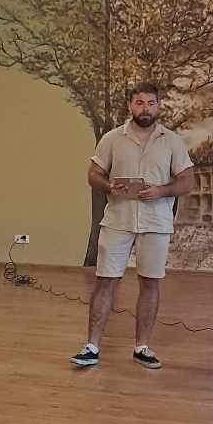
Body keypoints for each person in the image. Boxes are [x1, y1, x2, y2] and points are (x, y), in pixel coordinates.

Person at [70, 84, 195, 371]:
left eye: (151, 103)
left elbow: (188, 182)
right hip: (118, 220)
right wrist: (108, 185)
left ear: (158, 106)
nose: (145, 108)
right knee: (106, 281)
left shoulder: (172, 141)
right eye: (140, 103)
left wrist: (161, 191)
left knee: (150, 282)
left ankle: (142, 347)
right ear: (130, 105)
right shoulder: (112, 138)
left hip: (156, 222)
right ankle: (92, 346)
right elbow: (94, 174)